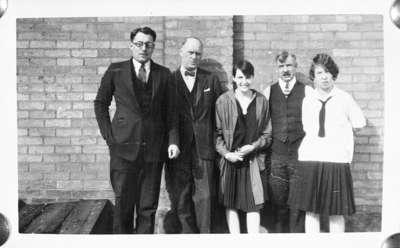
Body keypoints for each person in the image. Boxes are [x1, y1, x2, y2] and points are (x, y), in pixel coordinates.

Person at [94, 26, 180, 234]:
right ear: (131, 45)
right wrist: (109, 137)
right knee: (123, 206)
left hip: (153, 152)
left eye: (148, 45)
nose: (144, 48)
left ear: (153, 47)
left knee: (147, 208)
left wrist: (173, 141)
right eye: (139, 44)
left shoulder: (164, 74)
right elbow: (100, 103)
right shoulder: (116, 70)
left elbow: (172, 112)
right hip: (122, 149)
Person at [288, 53, 366, 233]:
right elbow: (307, 127)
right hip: (311, 158)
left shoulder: (344, 98)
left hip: (336, 160)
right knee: (311, 211)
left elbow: (359, 124)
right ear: (313, 78)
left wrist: (341, 139)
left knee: (335, 211)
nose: (324, 77)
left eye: (327, 72)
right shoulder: (308, 100)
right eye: (319, 73)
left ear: (334, 75)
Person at [164, 37, 224, 233]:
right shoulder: (169, 80)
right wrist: (171, 142)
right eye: (190, 52)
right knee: (180, 196)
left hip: (204, 147)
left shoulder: (211, 79)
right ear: (181, 52)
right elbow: (165, 115)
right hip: (177, 148)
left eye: (198, 53)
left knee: (205, 197)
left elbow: (222, 111)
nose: (194, 57)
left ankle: (204, 237)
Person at [215, 60, 271, 233]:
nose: (244, 81)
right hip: (231, 161)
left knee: (253, 205)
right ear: (233, 78)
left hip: (253, 162)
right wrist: (227, 154)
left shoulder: (261, 101)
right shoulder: (223, 101)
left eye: (247, 77)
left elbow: (268, 135)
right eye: (240, 77)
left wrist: (253, 147)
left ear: (253, 78)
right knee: (230, 204)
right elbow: (216, 135)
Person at [262, 51, 313, 233]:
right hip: (277, 154)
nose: (285, 70)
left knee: (297, 202)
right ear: (277, 69)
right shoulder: (269, 91)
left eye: (289, 66)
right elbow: (263, 122)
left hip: (300, 154)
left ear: (295, 67)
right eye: (281, 66)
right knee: (278, 201)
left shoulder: (307, 91)